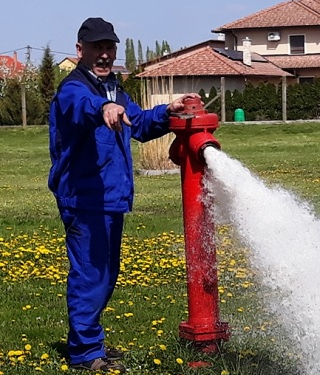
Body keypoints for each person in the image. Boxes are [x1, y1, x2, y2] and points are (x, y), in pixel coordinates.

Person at [48, 17, 199, 372]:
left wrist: (168, 111)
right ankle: (85, 354)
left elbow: (140, 125)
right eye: (97, 47)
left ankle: (90, 342)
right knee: (91, 274)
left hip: (109, 199)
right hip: (84, 199)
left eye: (109, 47)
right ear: (80, 50)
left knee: (105, 273)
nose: (104, 54)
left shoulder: (115, 90)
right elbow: (81, 107)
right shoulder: (74, 88)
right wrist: (102, 109)